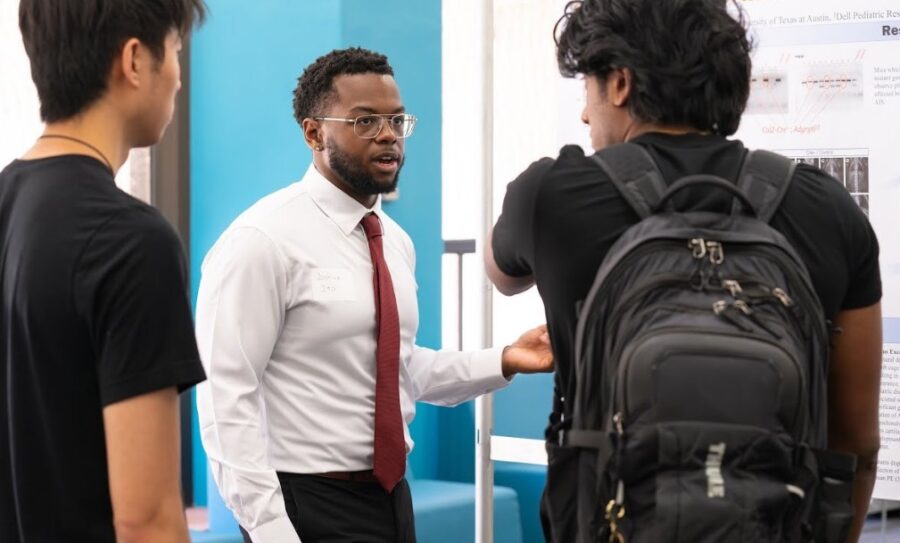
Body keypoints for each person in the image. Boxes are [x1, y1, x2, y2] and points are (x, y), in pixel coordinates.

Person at [485, 1, 882, 541]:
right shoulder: (826, 208)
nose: (584, 114)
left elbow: (501, 274)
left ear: (621, 83)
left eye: (588, 89)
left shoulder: (552, 195)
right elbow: (856, 443)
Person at [195, 47, 553, 543]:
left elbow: (400, 370)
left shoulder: (394, 241)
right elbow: (223, 398)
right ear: (314, 132)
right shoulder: (262, 240)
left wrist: (507, 359)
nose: (388, 135)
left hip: (390, 500)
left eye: (396, 120)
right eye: (365, 121)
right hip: (307, 505)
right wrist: (270, 529)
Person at [0, 1, 208, 542]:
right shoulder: (132, 243)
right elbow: (147, 521)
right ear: (135, 60)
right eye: (177, 55)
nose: (180, 80)